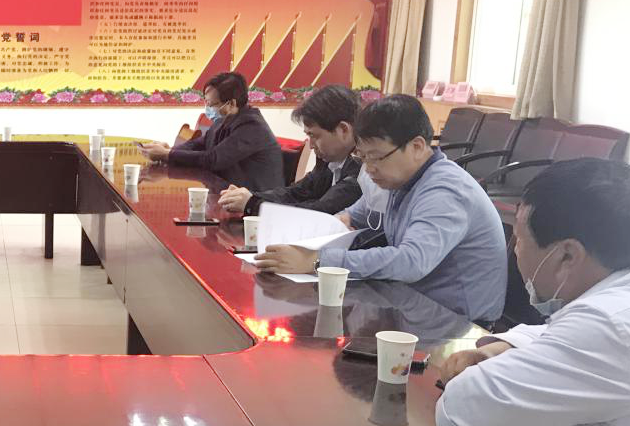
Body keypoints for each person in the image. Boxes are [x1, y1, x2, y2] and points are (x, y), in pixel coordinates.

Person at [436, 158, 630, 426]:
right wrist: (506, 346)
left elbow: (462, 409)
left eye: (519, 239)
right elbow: (557, 332)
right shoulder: (622, 299)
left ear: (567, 255)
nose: (514, 250)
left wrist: (500, 381)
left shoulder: (612, 328)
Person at [255, 94, 506, 323]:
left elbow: (411, 261)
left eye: (376, 157)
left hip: (458, 325)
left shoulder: (445, 191)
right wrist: (324, 231)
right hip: (411, 306)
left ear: (417, 147)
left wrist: (316, 260)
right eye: (362, 157)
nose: (369, 168)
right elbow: (352, 215)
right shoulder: (400, 178)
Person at [219, 84, 362, 215]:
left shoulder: (362, 171)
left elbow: (319, 212)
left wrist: (253, 204)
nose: (311, 145)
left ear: (343, 129)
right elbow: (297, 192)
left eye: (314, 136)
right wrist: (250, 197)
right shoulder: (331, 160)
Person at [139, 72, 284, 190]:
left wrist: (167, 154)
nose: (208, 108)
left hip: (254, 200)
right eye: (206, 102)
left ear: (231, 103)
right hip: (227, 191)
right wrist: (170, 150)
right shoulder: (224, 119)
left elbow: (213, 159)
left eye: (211, 104)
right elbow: (199, 144)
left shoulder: (252, 126)